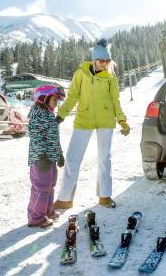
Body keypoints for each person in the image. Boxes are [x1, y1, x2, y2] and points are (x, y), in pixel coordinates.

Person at [53, 39, 130, 210]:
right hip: (84, 119)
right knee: (73, 158)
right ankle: (65, 199)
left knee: (104, 158)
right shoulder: (81, 73)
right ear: (94, 59)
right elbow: (72, 96)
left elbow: (115, 101)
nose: (104, 64)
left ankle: (105, 196)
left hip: (106, 120)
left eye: (107, 61)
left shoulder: (110, 77)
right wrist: (61, 115)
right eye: (102, 60)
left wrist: (122, 120)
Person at [27, 85, 66, 228]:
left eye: (57, 99)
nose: (56, 102)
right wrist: (41, 156)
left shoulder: (48, 113)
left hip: (50, 157)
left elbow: (53, 137)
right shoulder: (38, 113)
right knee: (41, 187)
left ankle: (47, 211)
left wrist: (59, 154)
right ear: (43, 98)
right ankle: (36, 218)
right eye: (54, 99)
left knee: (50, 186)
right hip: (40, 159)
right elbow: (36, 136)